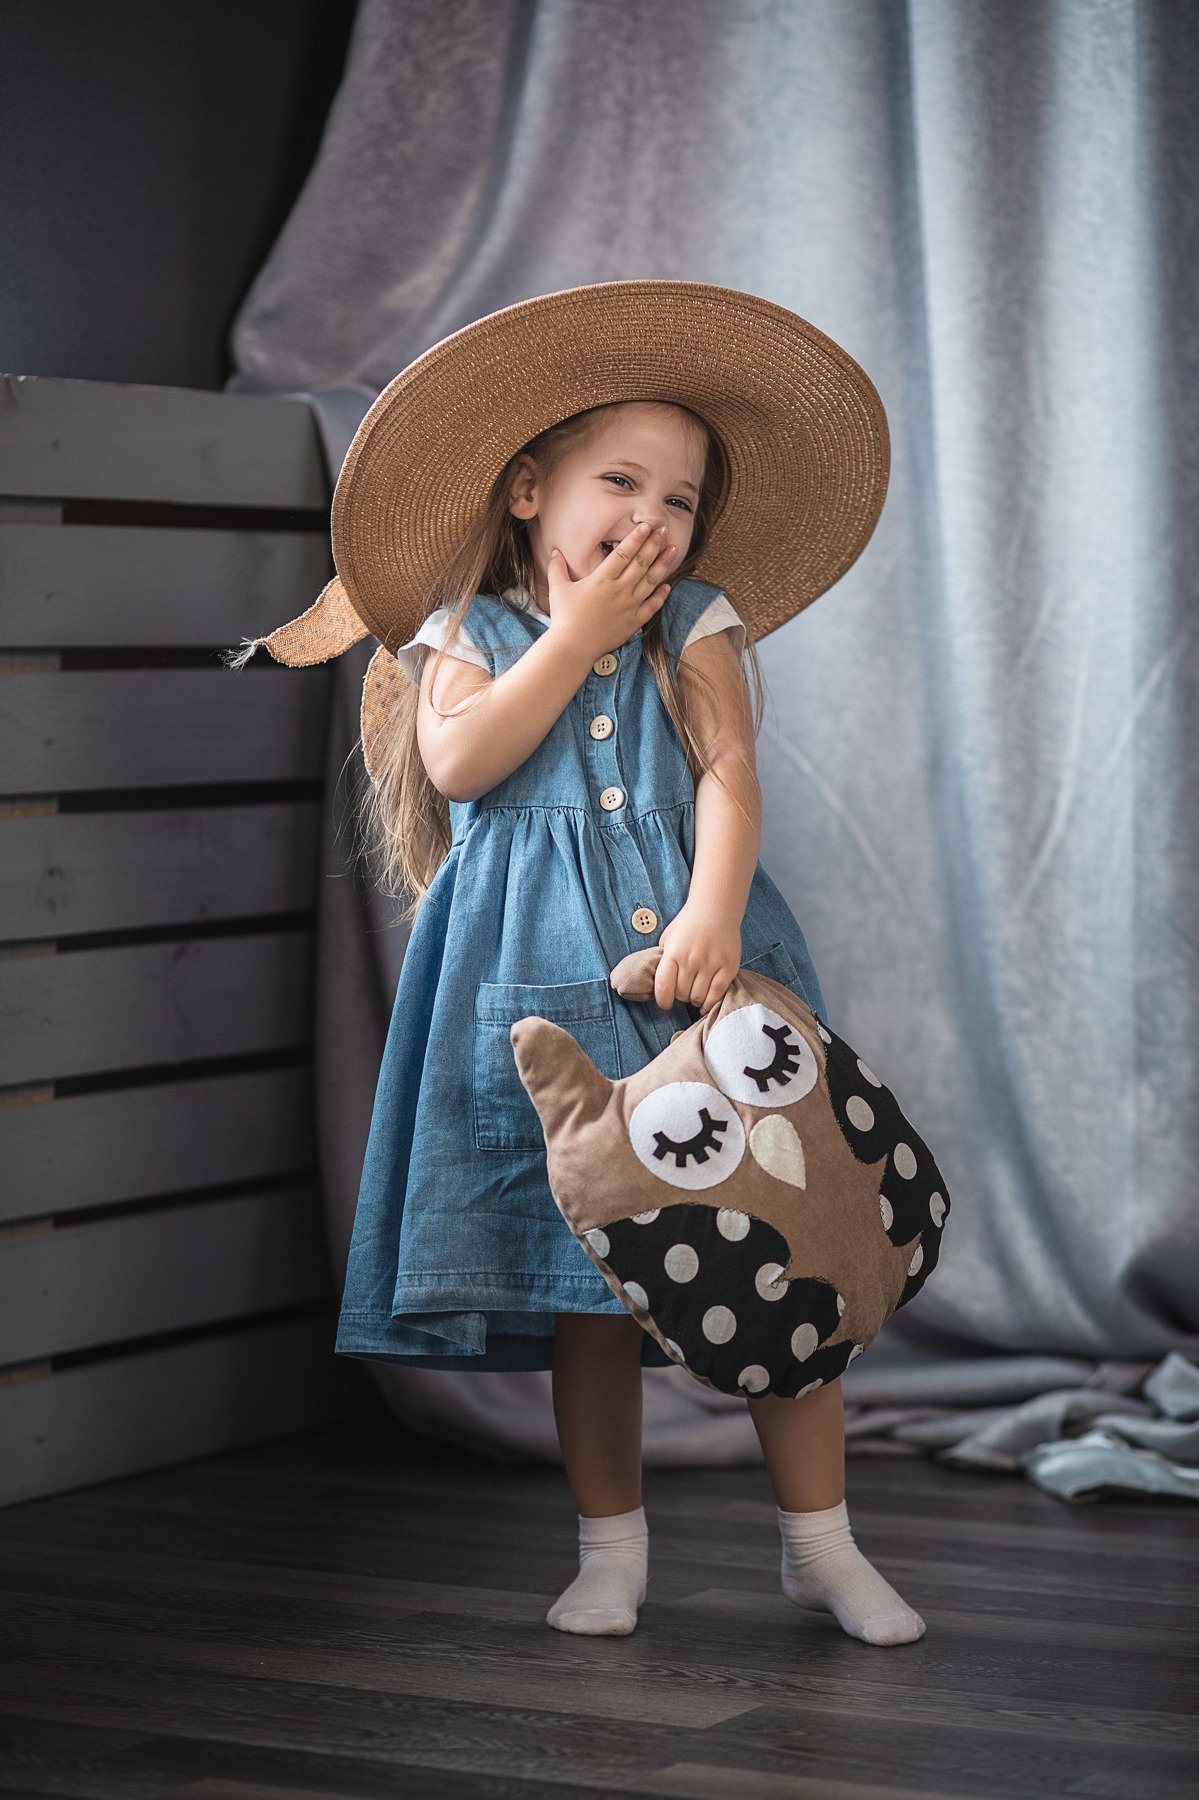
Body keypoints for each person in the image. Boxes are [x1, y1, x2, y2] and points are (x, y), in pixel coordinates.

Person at [231, 280, 925, 1649]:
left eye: (681, 499)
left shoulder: (697, 619)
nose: (654, 517)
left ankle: (822, 1546)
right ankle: (611, 1553)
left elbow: (728, 775)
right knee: (588, 1294)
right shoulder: (466, 631)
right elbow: (460, 763)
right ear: (528, 491)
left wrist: (712, 913)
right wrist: (572, 637)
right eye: (622, 481)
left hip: (703, 978)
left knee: (785, 1254)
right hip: (533, 981)